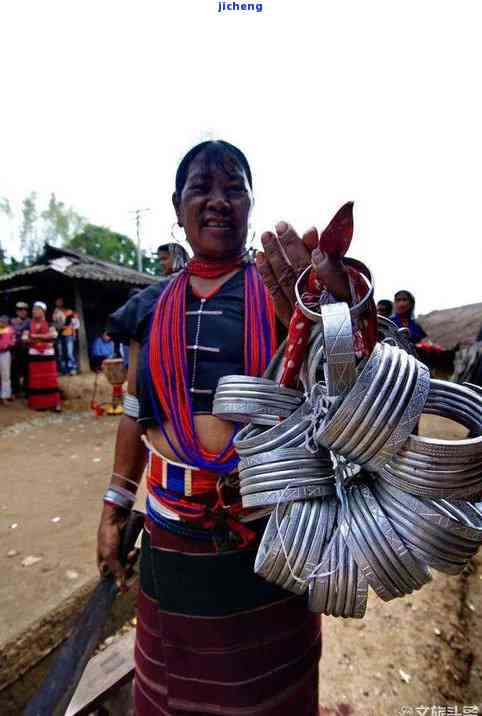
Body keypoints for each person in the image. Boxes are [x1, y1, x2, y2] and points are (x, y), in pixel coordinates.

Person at [97, 140, 372, 716]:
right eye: (202, 188)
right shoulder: (149, 307)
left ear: (251, 204)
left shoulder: (287, 300)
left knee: (269, 689)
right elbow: (132, 412)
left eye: (233, 189)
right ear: (177, 207)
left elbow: (341, 391)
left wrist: (341, 322)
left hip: (268, 532)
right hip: (172, 534)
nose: (218, 201)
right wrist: (114, 505)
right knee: (171, 688)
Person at [23, 302, 61, 412]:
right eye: (33, 309)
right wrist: (44, 338)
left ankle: (54, 403)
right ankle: (39, 404)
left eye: (37, 309)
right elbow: (25, 338)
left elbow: (54, 335)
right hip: (34, 354)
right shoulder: (28, 324)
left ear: (43, 311)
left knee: (50, 379)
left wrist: (35, 336)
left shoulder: (49, 323)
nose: (34, 311)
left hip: (48, 354)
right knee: (36, 380)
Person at [52, 297, 79, 375]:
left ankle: (72, 368)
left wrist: (74, 331)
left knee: (69, 352)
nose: (59, 302)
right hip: (59, 334)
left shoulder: (69, 311)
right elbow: (55, 325)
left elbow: (76, 322)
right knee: (60, 353)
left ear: (63, 302)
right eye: (57, 301)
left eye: (60, 301)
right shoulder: (55, 312)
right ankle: (63, 370)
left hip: (69, 333)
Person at [10, 301, 30, 396]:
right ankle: (16, 389)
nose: (22, 312)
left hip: (26, 349)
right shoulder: (12, 321)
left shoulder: (30, 321)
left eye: (24, 310)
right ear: (17, 312)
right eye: (20, 310)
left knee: (27, 370)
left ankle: (27, 389)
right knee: (14, 370)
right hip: (15, 349)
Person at [0, 315, 15, 405]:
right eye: (1, 321)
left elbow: (13, 342)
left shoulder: (10, 329)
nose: (2, 323)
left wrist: (8, 345)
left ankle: (4, 396)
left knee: (5, 375)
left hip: (5, 353)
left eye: (4, 321)